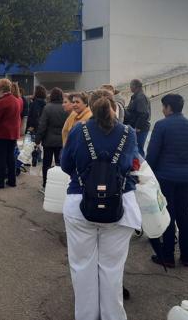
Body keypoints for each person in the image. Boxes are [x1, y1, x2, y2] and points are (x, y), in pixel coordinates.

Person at [60, 89, 141, 320]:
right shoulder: (128, 133)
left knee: (82, 268)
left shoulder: (78, 130)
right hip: (120, 205)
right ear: (114, 107)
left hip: (80, 202)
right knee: (112, 269)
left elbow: (66, 165)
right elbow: (133, 164)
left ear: (91, 107)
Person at [146, 93, 188, 268]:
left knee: (168, 215)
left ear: (168, 107)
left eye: (163, 107)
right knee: (184, 216)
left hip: (165, 178)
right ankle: (187, 256)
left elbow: (153, 153)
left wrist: (148, 175)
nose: (162, 110)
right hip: (185, 179)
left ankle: (168, 256)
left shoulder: (161, 126)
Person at [0, 78, 21, 189]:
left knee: (1, 158)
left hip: (2, 133)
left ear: (0, 89)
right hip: (13, 132)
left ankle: (0, 181)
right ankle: (12, 180)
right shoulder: (16, 100)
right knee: (10, 157)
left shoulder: (2, 102)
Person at [36, 87, 68, 189]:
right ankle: (59, 185)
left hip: (48, 141)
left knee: (46, 163)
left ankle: (46, 184)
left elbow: (42, 126)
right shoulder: (66, 108)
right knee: (60, 164)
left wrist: (37, 140)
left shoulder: (47, 107)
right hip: (62, 140)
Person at [124, 79, 151, 157]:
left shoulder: (140, 98)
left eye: (131, 86)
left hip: (140, 129)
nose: (130, 88)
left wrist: (138, 127)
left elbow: (144, 114)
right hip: (136, 127)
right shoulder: (136, 97)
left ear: (135, 86)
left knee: (138, 150)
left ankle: (142, 167)